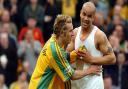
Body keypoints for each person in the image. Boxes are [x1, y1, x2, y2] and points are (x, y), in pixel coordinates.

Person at [28, 15, 102, 89]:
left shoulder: (54, 42)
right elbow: (72, 75)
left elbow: (62, 58)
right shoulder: (54, 50)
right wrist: (90, 70)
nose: (73, 34)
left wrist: (75, 54)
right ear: (62, 33)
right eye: (70, 31)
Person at [66, 2, 116, 89]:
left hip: (94, 82)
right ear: (80, 13)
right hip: (77, 83)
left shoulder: (99, 35)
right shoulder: (75, 32)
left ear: (93, 17)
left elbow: (112, 58)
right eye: (84, 14)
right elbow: (66, 55)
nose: (86, 18)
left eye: (89, 16)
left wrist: (92, 59)